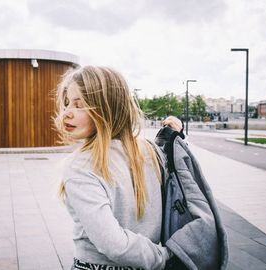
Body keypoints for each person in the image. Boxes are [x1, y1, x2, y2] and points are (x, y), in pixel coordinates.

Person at [54, 66, 183, 270]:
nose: (67, 113)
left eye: (79, 105)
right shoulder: (151, 151)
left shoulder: (81, 166)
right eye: (67, 103)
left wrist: (163, 257)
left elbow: (113, 244)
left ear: (107, 109)